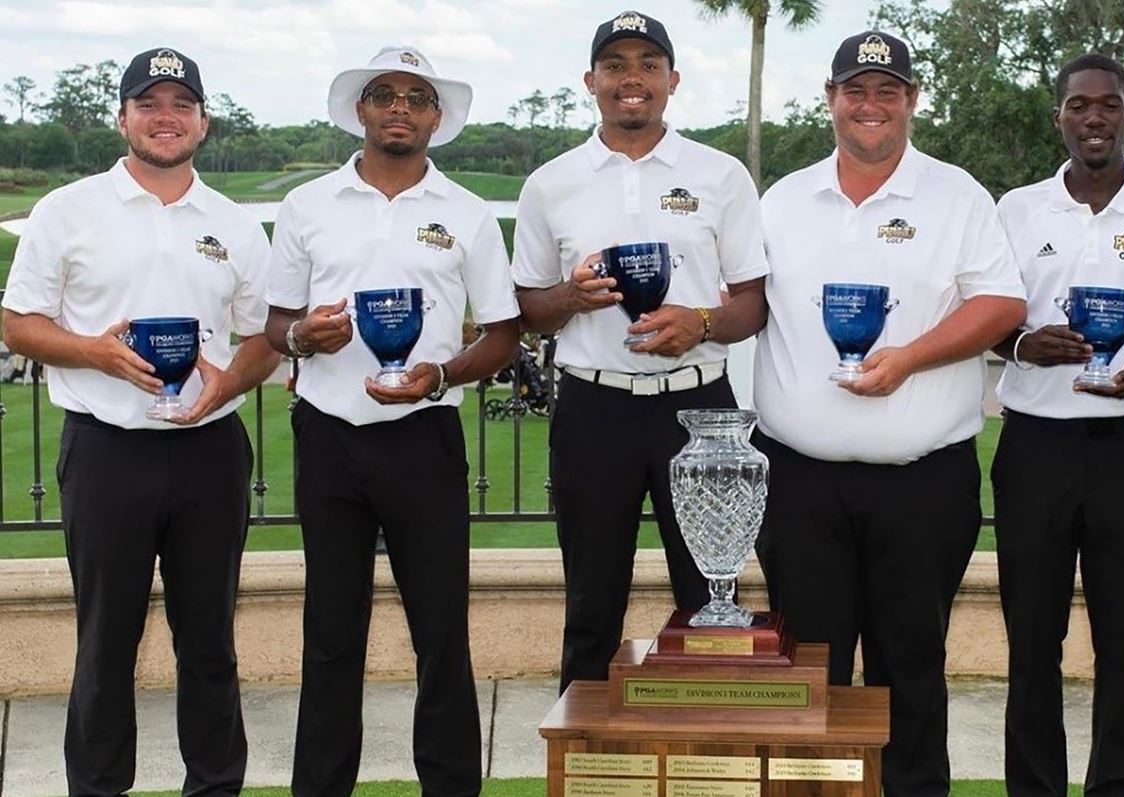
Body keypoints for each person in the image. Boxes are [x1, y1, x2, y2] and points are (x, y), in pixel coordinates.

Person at [751, 31, 1026, 797]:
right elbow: (742, 299)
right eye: (855, 90)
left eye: (888, 90)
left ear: (911, 100)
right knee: (811, 670)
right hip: (802, 484)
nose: (870, 105)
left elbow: (1003, 304)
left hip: (922, 483)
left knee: (912, 666)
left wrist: (909, 357)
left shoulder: (957, 194)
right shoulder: (784, 199)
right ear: (831, 99)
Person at [1, 47, 278, 796]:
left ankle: (215, 786)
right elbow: (17, 323)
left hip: (209, 452)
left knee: (210, 644)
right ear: (121, 116)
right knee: (105, 645)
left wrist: (229, 380)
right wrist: (92, 351)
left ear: (203, 121)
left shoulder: (235, 222)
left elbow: (262, 337)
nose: (166, 118)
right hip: (106, 453)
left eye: (180, 105)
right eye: (149, 104)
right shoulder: (68, 210)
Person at [262, 45, 520, 797]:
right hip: (330, 436)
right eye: (384, 94)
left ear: (437, 117)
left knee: (441, 635)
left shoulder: (467, 214)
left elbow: (502, 334)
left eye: (416, 96)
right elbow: (277, 324)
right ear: (361, 110)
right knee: (331, 637)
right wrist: (304, 338)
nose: (400, 107)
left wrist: (439, 373)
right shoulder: (307, 204)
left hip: (424, 437)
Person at [511, 10, 769, 693]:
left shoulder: (720, 175)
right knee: (591, 609)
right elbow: (529, 307)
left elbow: (752, 303)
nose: (633, 78)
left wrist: (703, 321)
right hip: (594, 407)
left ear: (672, 80)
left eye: (648, 65)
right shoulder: (551, 183)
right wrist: (571, 296)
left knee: (710, 602)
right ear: (591, 80)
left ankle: (713, 762)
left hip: (698, 407)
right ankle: (587, 769)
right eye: (617, 65)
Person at [989, 54, 1124, 797]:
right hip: (1034, 444)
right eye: (1079, 106)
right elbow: (988, 318)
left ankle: (1117, 784)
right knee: (1032, 640)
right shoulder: (1014, 211)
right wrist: (1022, 343)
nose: (1094, 119)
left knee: (1123, 637)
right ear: (1060, 118)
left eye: (1108, 105)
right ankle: (1034, 787)